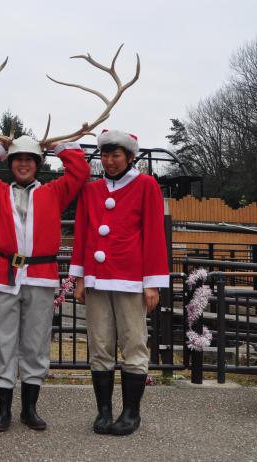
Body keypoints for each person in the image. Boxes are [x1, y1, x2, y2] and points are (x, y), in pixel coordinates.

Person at [0, 135, 89, 432]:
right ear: (10, 164)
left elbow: (80, 172)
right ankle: (4, 410)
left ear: (37, 164)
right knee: (3, 342)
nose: (23, 164)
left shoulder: (54, 192)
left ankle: (29, 409)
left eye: (29, 159)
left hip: (40, 276)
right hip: (2, 276)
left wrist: (60, 147)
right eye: (18, 159)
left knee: (35, 343)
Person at [70, 129, 169, 436]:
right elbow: (82, 234)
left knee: (134, 345)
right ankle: (103, 412)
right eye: (105, 155)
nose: (109, 161)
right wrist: (80, 278)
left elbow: (154, 234)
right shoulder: (90, 190)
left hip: (130, 279)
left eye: (116, 156)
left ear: (129, 157)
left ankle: (130, 413)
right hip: (97, 280)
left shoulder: (146, 185)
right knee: (99, 346)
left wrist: (151, 283)